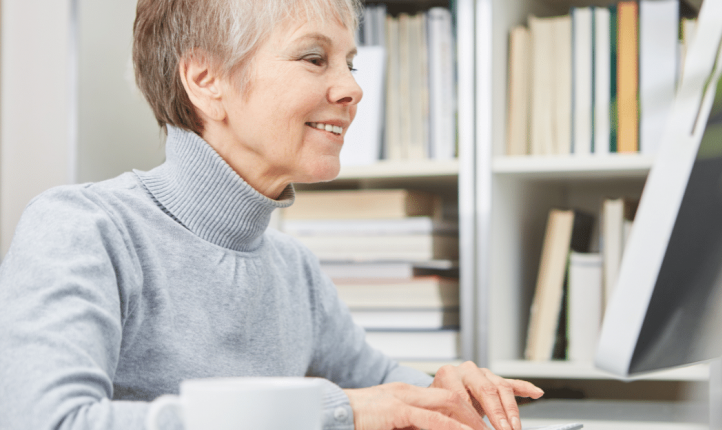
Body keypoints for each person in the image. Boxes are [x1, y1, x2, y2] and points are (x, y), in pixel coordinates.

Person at [0, 0, 544, 429]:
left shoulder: (291, 268)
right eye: (314, 58)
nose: (353, 87)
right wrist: (336, 414)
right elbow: (47, 421)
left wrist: (442, 390)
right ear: (206, 80)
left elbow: (377, 384)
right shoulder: (82, 229)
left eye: (350, 63)